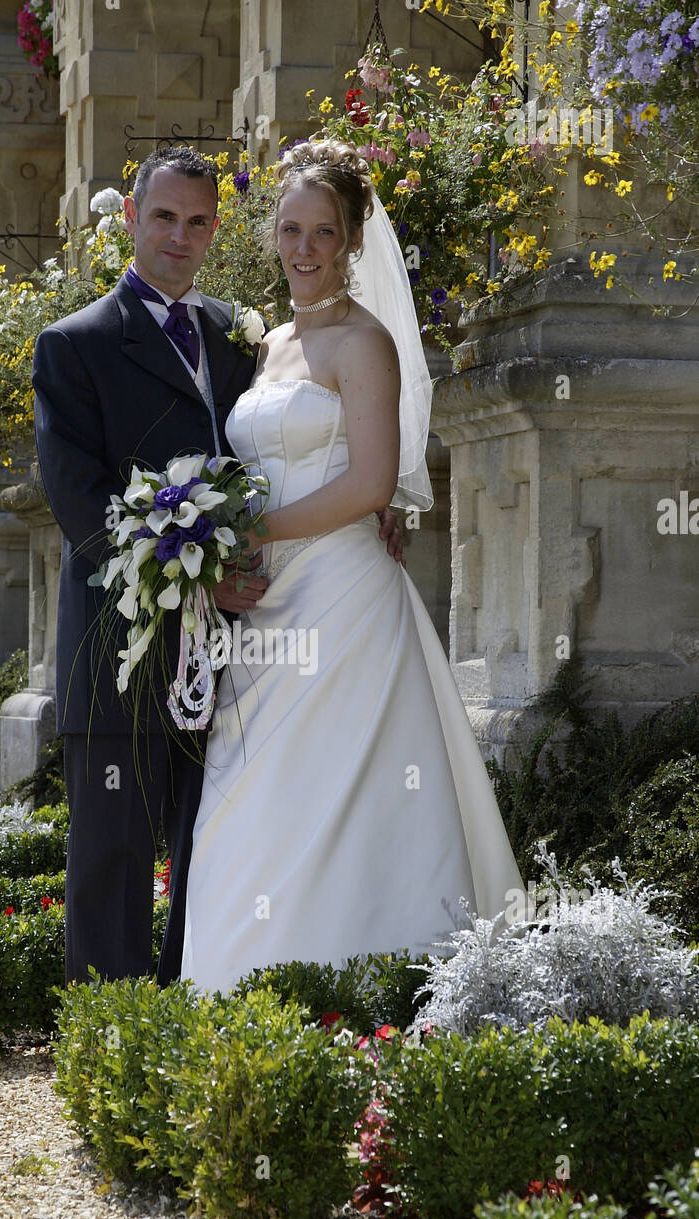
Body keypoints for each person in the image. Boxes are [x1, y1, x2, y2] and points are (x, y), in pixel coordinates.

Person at [32, 145, 404, 988]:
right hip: (119, 642)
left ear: (217, 228)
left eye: (199, 220)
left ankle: (190, 1011)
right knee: (112, 854)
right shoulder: (73, 345)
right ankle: (110, 1042)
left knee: (216, 843)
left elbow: (290, 445)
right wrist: (194, 575)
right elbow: (80, 503)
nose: (180, 235)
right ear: (131, 219)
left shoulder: (243, 338)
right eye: (163, 216)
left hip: (245, 644)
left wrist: (371, 504)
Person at [180, 139, 526, 994]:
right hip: (263, 604)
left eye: (322, 234)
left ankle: (367, 987)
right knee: (250, 791)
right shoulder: (265, 346)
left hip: (340, 592)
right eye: (290, 230)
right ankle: (233, 996)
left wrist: (252, 533)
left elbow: (371, 481)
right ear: (271, 236)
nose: (303, 249)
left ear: (350, 243)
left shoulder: (364, 344)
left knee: (339, 786)